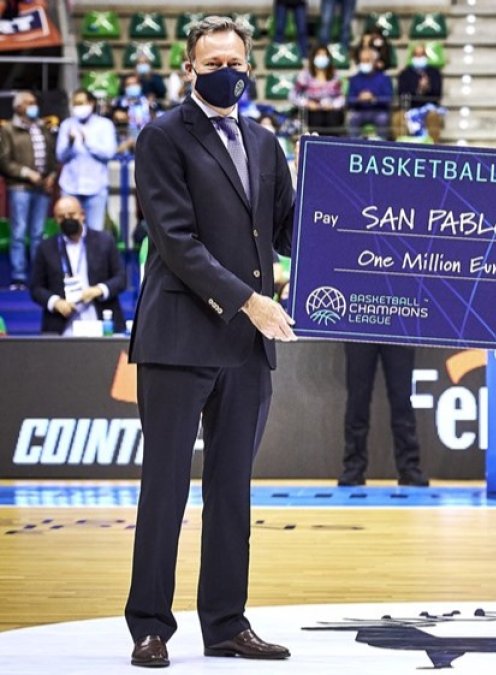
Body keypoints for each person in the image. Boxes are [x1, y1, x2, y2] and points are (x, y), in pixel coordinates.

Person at [124, 16, 297, 668]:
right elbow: (175, 240)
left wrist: (357, 230)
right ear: (189, 67)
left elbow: (287, 230)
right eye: (213, 61)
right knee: (165, 488)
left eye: (235, 61)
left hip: (245, 347)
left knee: (232, 492)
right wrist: (250, 300)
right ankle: (149, 626)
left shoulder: (265, 143)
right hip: (179, 337)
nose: (227, 71)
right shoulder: (162, 136)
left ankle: (226, 623)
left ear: (250, 65)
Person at [29, 196, 126, 335]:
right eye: (61, 217)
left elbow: (121, 278)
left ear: (82, 214)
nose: (67, 219)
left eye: (71, 214)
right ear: (55, 220)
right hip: (61, 325)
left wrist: (98, 290)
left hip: (101, 320)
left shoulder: (105, 241)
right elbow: (36, 288)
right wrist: (55, 302)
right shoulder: (46, 248)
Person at [339, 344, 429, 487]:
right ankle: (353, 467)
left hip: (399, 333)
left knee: (402, 399)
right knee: (357, 400)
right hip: (361, 333)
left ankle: (409, 467)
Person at [0, 90, 56, 291]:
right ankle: (19, 277)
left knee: (38, 233)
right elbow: (4, 160)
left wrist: (51, 176)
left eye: (34, 102)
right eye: (29, 102)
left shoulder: (42, 127)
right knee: (18, 232)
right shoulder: (8, 129)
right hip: (20, 187)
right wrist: (27, 173)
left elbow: (52, 155)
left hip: (43, 187)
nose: (34, 106)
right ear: (18, 107)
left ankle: (38, 276)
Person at [56, 89, 119, 233]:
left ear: (91, 103)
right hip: (70, 187)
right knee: (69, 232)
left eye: (81, 103)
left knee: (94, 232)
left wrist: (87, 141)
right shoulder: (67, 125)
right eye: (75, 104)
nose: (78, 107)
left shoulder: (105, 125)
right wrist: (70, 143)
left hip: (96, 187)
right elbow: (60, 156)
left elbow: (109, 153)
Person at [292, 44, 346, 135]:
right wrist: (307, 103)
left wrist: (333, 105)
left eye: (324, 55)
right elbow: (293, 95)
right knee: (316, 119)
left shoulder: (335, 75)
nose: (322, 57)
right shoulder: (305, 75)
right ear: (313, 57)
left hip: (331, 110)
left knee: (333, 118)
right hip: (312, 111)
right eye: (319, 54)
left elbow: (341, 97)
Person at [346, 47, 394, 140]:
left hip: (378, 111)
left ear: (375, 62)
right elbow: (349, 99)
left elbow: (389, 98)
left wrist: (374, 98)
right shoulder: (355, 79)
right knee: (353, 118)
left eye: (367, 60)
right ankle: (354, 144)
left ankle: (382, 144)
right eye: (362, 60)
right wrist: (359, 99)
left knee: (383, 118)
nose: (365, 63)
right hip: (360, 111)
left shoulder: (384, 78)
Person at [396, 43, 443, 109]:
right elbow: (402, 93)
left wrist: (427, 88)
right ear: (412, 57)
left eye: (422, 55)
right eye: (417, 55)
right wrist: (419, 90)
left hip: (430, 107)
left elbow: (438, 93)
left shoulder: (434, 73)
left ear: (426, 56)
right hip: (411, 107)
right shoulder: (405, 74)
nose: (419, 58)